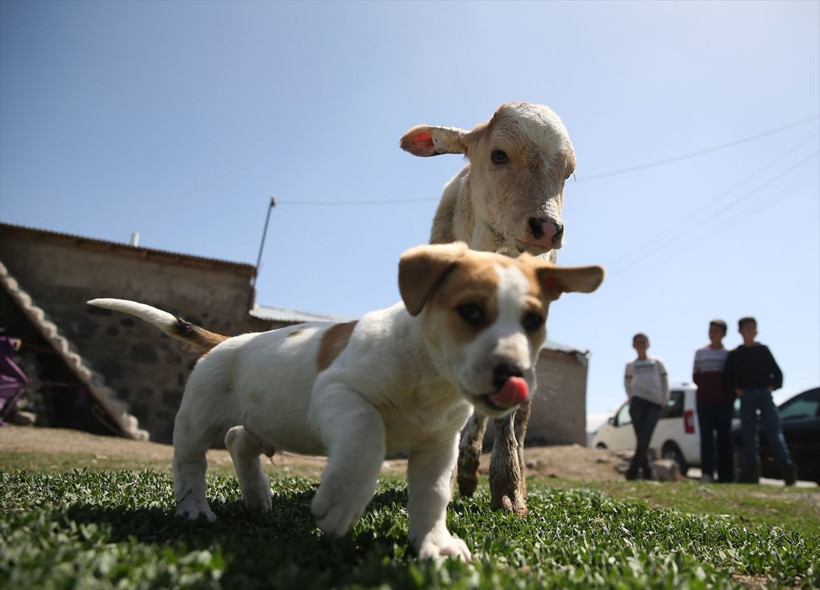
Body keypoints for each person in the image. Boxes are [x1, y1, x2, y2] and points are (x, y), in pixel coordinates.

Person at [722, 317, 796, 486]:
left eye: (753, 328)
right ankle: (752, 476)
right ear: (740, 331)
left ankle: (788, 473)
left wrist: (771, 387)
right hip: (746, 397)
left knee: (775, 433)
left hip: (764, 395)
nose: (751, 331)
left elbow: (778, 374)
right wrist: (738, 390)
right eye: (747, 328)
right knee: (749, 436)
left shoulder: (763, 350)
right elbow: (727, 378)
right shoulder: (735, 354)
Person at [692, 320, 734, 483]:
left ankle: (726, 476)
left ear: (723, 333)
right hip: (705, 400)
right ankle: (707, 473)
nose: (712, 333)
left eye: (716, 331)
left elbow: (731, 377)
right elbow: (695, 375)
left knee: (725, 438)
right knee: (706, 438)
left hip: (724, 401)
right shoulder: (700, 352)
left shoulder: (730, 353)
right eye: (710, 330)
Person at [624, 333, 670, 481]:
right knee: (641, 437)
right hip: (638, 402)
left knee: (646, 436)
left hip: (654, 403)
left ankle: (633, 471)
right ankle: (647, 473)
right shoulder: (631, 365)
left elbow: (665, 381)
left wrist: (664, 399)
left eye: (643, 342)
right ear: (633, 345)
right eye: (637, 342)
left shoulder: (657, 362)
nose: (640, 344)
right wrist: (631, 398)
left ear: (648, 344)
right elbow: (627, 383)